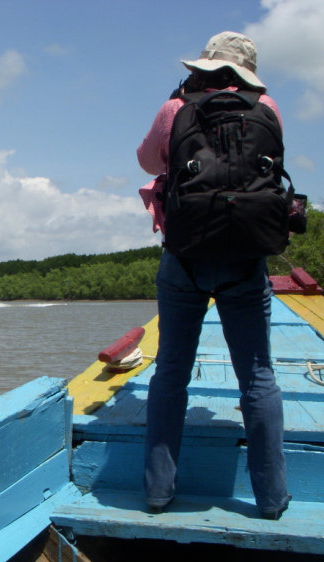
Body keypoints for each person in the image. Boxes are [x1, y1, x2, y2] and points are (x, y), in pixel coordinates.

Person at [137, 31, 291, 520]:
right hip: (247, 260)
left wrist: (174, 110)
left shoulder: (174, 109)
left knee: (170, 374)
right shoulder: (268, 106)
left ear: (203, 66)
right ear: (247, 72)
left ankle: (159, 493)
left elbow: (145, 161)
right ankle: (270, 500)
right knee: (258, 377)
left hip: (183, 256)